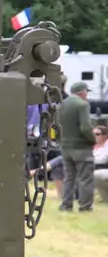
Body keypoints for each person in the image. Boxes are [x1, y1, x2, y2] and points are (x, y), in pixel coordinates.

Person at [57, 82, 94, 213]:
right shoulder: (82, 105)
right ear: (82, 92)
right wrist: (93, 139)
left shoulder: (62, 104)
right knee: (85, 178)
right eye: (86, 92)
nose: (87, 95)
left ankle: (66, 204)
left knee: (69, 177)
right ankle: (85, 206)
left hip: (65, 146)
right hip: (81, 147)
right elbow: (85, 127)